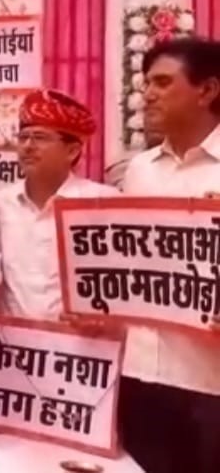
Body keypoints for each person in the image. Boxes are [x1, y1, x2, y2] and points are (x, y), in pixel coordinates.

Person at [117, 38, 220, 473]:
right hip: (141, 373)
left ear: (207, 90)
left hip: (209, 380)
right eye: (145, 83)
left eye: (162, 82)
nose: (147, 94)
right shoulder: (139, 171)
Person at [0, 89, 118, 320]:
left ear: (72, 151)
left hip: (79, 339)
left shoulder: (103, 203)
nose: (28, 146)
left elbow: (122, 281)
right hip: (10, 339)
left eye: (40, 138)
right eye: (23, 137)